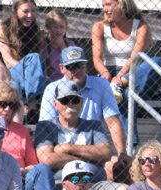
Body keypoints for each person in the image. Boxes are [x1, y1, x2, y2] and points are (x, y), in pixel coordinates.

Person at [38, 46, 129, 179]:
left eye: (81, 65)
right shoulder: (52, 89)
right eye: (72, 66)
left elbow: (113, 121)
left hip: (91, 144)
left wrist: (122, 153)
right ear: (62, 68)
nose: (78, 70)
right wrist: (83, 157)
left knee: (117, 165)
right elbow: (48, 127)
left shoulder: (101, 84)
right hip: (64, 149)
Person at [32, 79, 113, 190]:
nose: (70, 104)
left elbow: (106, 152)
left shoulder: (94, 125)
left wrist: (67, 148)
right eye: (65, 100)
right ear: (55, 104)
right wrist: (89, 157)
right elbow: (48, 159)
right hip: (60, 186)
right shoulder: (46, 126)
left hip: (93, 184)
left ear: (81, 103)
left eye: (75, 100)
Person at [91, 0, 159, 100]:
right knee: (128, 94)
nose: (104, 9)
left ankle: (119, 86)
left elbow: (134, 58)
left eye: (108, 4)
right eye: (103, 6)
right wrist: (106, 74)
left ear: (122, 5)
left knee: (157, 61)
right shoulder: (99, 27)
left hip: (131, 73)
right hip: (108, 71)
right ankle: (120, 91)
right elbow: (97, 59)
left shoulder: (141, 27)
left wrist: (119, 78)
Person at [0, 0, 46, 109]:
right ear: (15, 11)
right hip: (12, 73)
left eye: (33, 11)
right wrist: (27, 71)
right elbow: (7, 59)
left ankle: (29, 102)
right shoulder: (2, 27)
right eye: (25, 11)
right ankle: (31, 102)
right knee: (34, 57)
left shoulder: (36, 30)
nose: (30, 15)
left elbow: (40, 63)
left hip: (32, 77)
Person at [40, 10, 69, 82]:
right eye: (55, 27)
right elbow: (43, 68)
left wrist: (62, 45)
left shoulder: (69, 45)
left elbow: (72, 64)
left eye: (61, 27)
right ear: (47, 28)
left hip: (67, 79)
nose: (58, 30)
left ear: (66, 28)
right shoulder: (44, 45)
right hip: (49, 81)